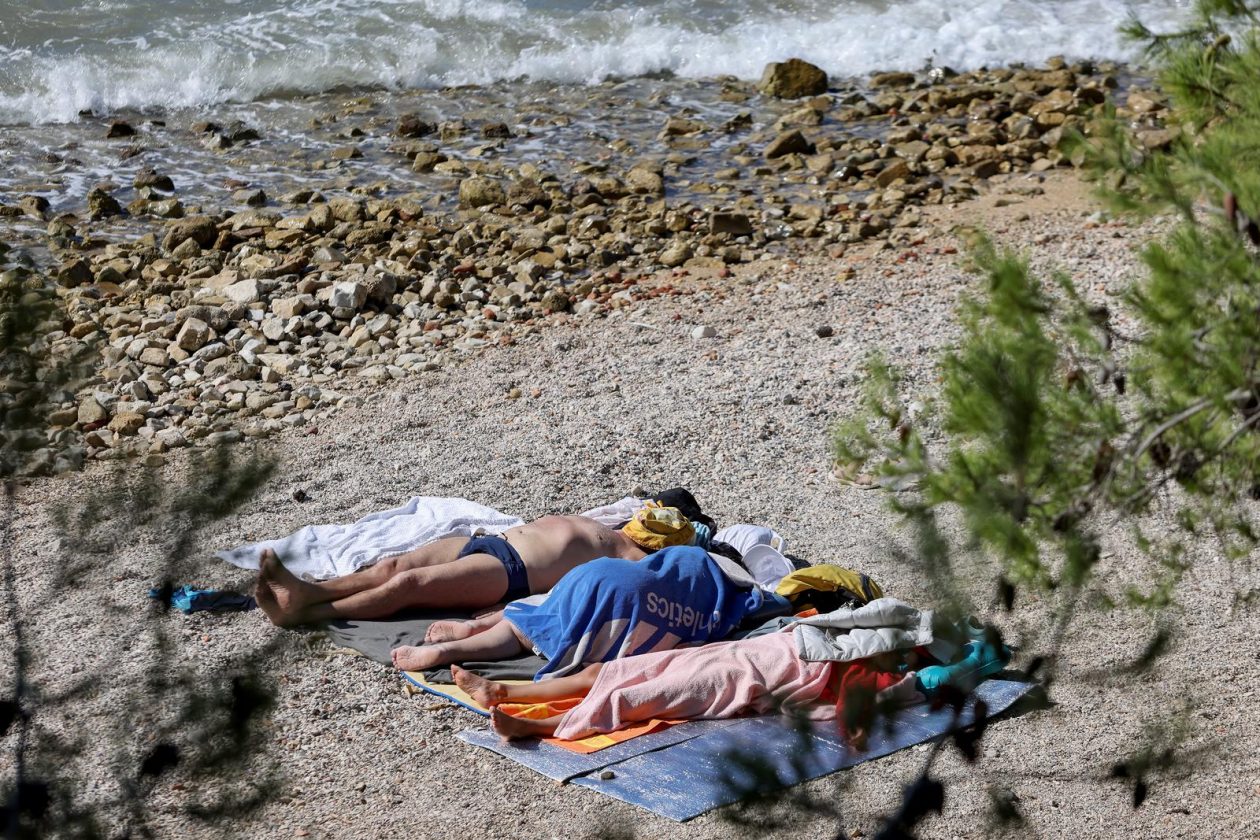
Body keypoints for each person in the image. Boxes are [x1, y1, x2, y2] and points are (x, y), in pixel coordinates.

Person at [255, 509, 692, 627]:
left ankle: (310, 613)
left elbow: (617, 587)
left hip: (512, 573)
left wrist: (517, 612)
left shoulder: (635, 558)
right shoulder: (614, 521)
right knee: (390, 565)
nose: (654, 518)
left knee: (410, 583)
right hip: (490, 542)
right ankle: (312, 591)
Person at [390, 544, 762, 676]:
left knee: (535, 616)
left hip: (602, 574)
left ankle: (465, 636)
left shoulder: (688, 557)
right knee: (536, 631)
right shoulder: (737, 588)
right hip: (633, 605)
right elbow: (760, 606)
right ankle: (458, 643)